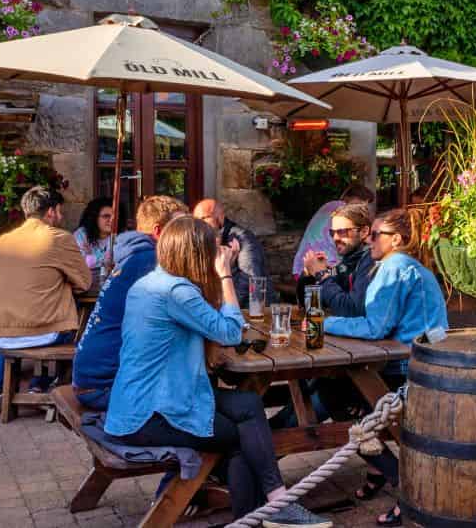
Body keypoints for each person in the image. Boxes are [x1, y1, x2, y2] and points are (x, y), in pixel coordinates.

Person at [105, 217, 331, 528]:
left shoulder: (149, 282)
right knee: (240, 436)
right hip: (150, 414)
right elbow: (230, 333)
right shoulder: (175, 291)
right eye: (213, 248)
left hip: (141, 401)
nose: (219, 252)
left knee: (250, 405)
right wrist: (225, 275)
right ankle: (259, 515)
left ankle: (276, 504)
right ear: (197, 253)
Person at [324, 208, 448, 527]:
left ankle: (403, 485)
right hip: (425, 362)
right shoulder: (405, 265)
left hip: (411, 369)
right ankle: (381, 469)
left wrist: (324, 324)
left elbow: (375, 327)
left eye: (376, 234)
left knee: (333, 397)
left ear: (397, 239)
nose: (371, 241)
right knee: (333, 391)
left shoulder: (395, 266)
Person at [0, 186, 91, 412]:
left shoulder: (0, 242)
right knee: (73, 323)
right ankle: (40, 385)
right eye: (59, 212)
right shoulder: (58, 238)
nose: (61, 217)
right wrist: (63, 282)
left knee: (25, 319)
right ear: (50, 212)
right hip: (44, 332)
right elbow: (85, 282)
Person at [71, 194, 185, 411]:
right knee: (193, 400)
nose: (187, 236)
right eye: (180, 228)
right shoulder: (150, 262)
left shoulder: (134, 254)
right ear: (159, 232)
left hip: (89, 380)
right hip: (104, 387)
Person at [298, 202, 376, 316]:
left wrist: (322, 275)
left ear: (364, 232)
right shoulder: (345, 265)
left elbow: (352, 310)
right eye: (332, 233)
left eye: (342, 232)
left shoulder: (370, 261)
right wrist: (308, 274)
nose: (335, 238)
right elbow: (309, 304)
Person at [291, 183, 376, 277]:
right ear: (352, 198)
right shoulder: (342, 210)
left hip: (300, 269)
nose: (363, 207)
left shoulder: (330, 206)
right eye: (363, 202)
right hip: (319, 270)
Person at [193, 198, 265, 287]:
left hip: (249, 299)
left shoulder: (242, 237)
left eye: (203, 218)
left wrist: (228, 300)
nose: (199, 223)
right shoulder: (202, 239)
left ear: (220, 216)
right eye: (196, 220)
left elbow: (250, 280)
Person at [73, 199, 117, 272]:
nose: (111, 220)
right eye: (106, 216)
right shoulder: (81, 234)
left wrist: (91, 257)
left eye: (114, 216)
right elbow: (81, 263)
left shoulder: (118, 236)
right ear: (94, 217)